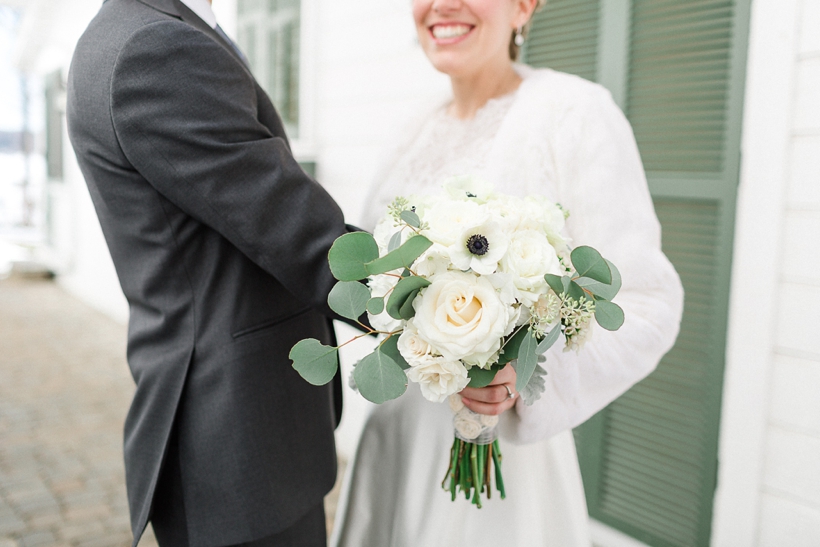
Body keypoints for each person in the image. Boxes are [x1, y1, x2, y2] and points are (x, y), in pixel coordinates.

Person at [331, 0, 685, 545]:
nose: (441, 6)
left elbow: (647, 303)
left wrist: (524, 378)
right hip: (396, 441)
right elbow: (372, 288)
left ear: (524, 6)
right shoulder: (412, 128)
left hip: (503, 464)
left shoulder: (575, 113)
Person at [66, 0, 355, 545]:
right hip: (240, 442)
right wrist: (443, 304)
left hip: (239, 427)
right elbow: (289, 222)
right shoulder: (153, 47)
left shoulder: (142, 31)